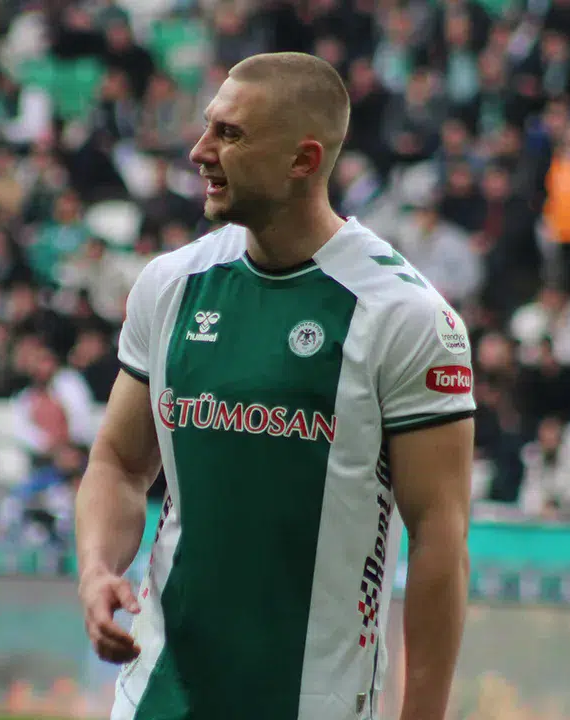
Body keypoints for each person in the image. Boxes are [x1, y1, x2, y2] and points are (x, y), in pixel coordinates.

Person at [75, 52, 475, 720]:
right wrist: (96, 569)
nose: (200, 151)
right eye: (209, 127)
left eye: (230, 134)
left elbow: (439, 537)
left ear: (303, 160)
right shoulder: (170, 285)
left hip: (313, 703)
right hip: (156, 694)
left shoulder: (405, 316)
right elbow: (117, 462)